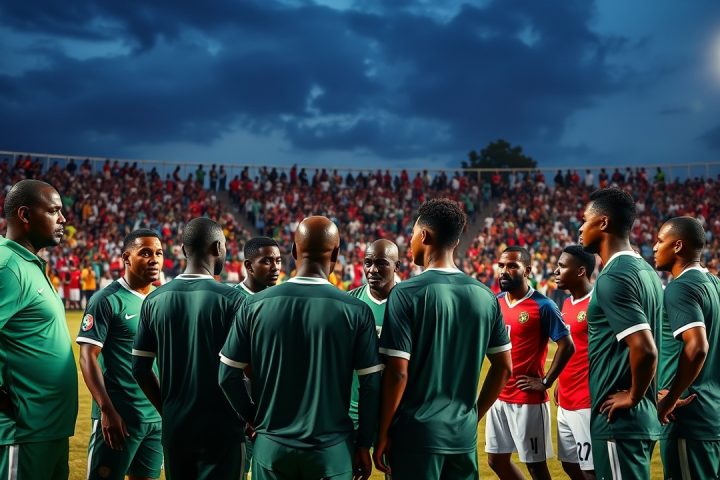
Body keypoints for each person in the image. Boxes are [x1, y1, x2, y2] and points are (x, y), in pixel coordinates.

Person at [219, 216, 382, 480]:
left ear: (294, 251)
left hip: (272, 447)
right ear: (336, 254)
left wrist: (255, 419)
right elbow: (371, 386)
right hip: (331, 451)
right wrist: (363, 444)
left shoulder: (254, 305)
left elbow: (227, 375)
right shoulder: (357, 310)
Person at [374, 199, 513, 480]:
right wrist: (472, 415)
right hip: (462, 436)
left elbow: (398, 373)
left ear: (424, 236)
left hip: (415, 436)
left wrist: (382, 432)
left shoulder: (405, 293)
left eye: (413, 233)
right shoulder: (486, 296)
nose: (410, 241)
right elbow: (504, 368)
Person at [132, 217, 247, 479]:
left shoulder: (154, 300)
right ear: (217, 248)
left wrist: (167, 410)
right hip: (223, 430)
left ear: (184, 250)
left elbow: (139, 369)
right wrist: (249, 413)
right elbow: (248, 369)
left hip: (176, 429)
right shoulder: (234, 300)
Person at [579, 187, 663, 479]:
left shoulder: (613, 276)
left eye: (585, 220)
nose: (580, 228)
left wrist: (633, 396)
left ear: (603, 222)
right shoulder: (647, 271)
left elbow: (646, 349)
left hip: (619, 421)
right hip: (639, 421)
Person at [0, 179, 78, 479]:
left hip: (50, 428)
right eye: (54, 211)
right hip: (24, 430)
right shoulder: (8, 267)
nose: (63, 219)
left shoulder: (29, 264)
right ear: (25, 215)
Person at [77, 229, 165, 480]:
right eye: (145, 253)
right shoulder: (107, 299)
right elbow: (87, 356)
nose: (154, 260)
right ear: (126, 258)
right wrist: (106, 409)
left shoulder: (162, 300)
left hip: (156, 417)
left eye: (158, 253)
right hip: (119, 416)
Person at [486, 246, 575, 480]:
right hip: (498, 395)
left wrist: (546, 381)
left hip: (527, 399)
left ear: (526, 271)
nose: (504, 271)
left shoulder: (543, 305)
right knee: (496, 460)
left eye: (512, 266)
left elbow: (567, 345)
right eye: (501, 265)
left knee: (535, 466)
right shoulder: (495, 303)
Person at [654, 216, 720, 479]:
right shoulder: (715, 285)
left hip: (687, 417)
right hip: (712, 413)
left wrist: (668, 401)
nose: (655, 247)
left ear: (678, 246)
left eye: (660, 241)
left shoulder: (680, 288)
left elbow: (698, 346)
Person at [233, 236, 282, 480]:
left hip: (274, 410)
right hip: (238, 411)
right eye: (267, 261)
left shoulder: (282, 300)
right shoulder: (231, 300)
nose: (275, 267)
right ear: (248, 266)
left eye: (278, 260)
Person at [553, 245, 597, 479]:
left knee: (590, 469)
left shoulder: (597, 303)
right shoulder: (568, 303)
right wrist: (560, 381)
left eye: (562, 266)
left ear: (580, 271)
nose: (556, 271)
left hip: (586, 402)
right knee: (569, 464)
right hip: (565, 399)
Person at [347, 239, 400, 427]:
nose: (372, 270)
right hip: (354, 412)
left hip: (395, 413)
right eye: (368, 263)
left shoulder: (409, 304)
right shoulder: (350, 302)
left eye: (381, 263)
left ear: (397, 266)